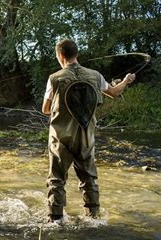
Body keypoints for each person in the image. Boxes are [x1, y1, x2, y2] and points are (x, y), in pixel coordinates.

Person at [41, 39, 135, 222]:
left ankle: (55, 220)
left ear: (60, 55)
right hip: (86, 137)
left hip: (61, 139)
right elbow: (114, 93)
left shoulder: (54, 78)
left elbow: (45, 109)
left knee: (56, 180)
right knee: (89, 180)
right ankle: (93, 219)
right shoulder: (95, 76)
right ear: (76, 54)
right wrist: (126, 81)